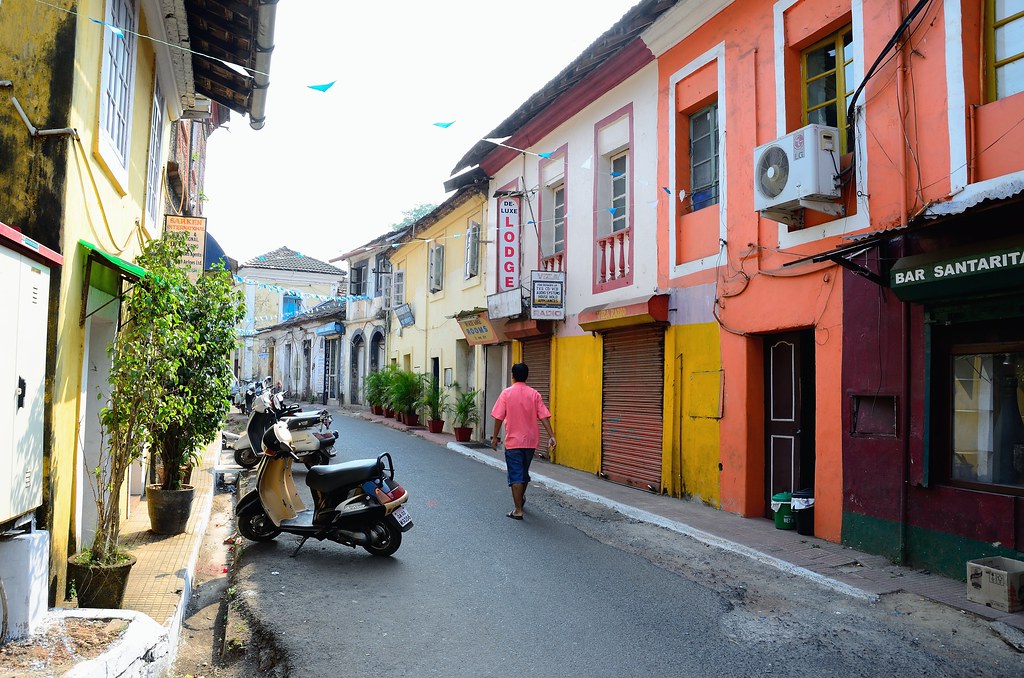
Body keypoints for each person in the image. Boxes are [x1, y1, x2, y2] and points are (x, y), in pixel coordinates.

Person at [490, 362, 555, 520]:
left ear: (512, 376)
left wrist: (495, 437)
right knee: (523, 472)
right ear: (527, 376)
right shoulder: (534, 394)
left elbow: (498, 417)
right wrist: (551, 435)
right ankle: (520, 498)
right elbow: (544, 417)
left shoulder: (506, 394)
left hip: (513, 442)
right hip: (530, 442)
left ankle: (518, 510)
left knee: (516, 475)